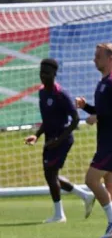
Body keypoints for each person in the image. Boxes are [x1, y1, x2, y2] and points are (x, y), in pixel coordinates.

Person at [24, 58, 94, 222]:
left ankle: (59, 215)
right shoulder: (42, 92)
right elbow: (47, 120)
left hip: (63, 139)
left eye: (47, 73)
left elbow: (76, 119)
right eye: (41, 72)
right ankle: (85, 196)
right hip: (50, 139)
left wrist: (59, 140)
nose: (43, 76)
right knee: (50, 175)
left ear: (54, 74)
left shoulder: (61, 94)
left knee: (50, 174)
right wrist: (37, 135)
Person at [75, 43, 112, 238]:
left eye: (98, 56)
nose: (94, 59)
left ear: (110, 59)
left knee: (91, 180)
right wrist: (86, 107)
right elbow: (103, 111)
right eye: (94, 55)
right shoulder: (103, 82)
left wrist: (98, 116)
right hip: (108, 138)